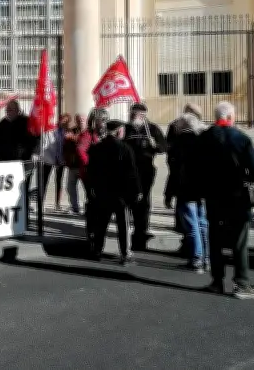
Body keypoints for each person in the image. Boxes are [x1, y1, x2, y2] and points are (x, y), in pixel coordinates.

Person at [197, 101, 254, 299]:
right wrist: (247, 179)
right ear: (231, 117)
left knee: (215, 237)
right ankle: (241, 283)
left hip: (213, 195)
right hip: (237, 195)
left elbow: (195, 167)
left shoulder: (204, 138)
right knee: (240, 240)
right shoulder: (241, 138)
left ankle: (217, 281)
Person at [87, 120, 141, 265]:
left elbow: (91, 171)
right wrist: (137, 191)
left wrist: (92, 188)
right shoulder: (125, 148)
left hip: (103, 192)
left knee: (101, 223)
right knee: (123, 225)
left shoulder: (97, 148)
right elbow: (132, 172)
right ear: (118, 131)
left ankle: (97, 250)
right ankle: (125, 254)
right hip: (121, 194)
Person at [168, 105, 208, 273]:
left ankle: (197, 257)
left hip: (186, 189)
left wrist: (168, 193)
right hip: (203, 189)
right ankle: (207, 258)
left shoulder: (178, 145)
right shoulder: (203, 141)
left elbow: (174, 172)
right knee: (203, 223)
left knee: (191, 225)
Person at [123, 102, 167, 250]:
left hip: (146, 170)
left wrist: (155, 144)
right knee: (131, 200)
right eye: (132, 113)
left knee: (143, 201)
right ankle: (130, 228)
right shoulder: (126, 129)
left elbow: (163, 147)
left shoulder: (152, 129)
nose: (133, 116)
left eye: (137, 114)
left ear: (143, 115)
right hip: (129, 171)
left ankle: (141, 231)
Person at [62, 114, 84, 215]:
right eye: (79, 120)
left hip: (84, 166)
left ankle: (90, 207)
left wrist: (74, 138)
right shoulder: (72, 131)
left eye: (82, 120)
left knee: (87, 188)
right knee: (70, 187)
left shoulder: (88, 132)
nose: (81, 122)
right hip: (73, 164)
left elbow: (83, 144)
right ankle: (75, 207)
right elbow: (66, 147)